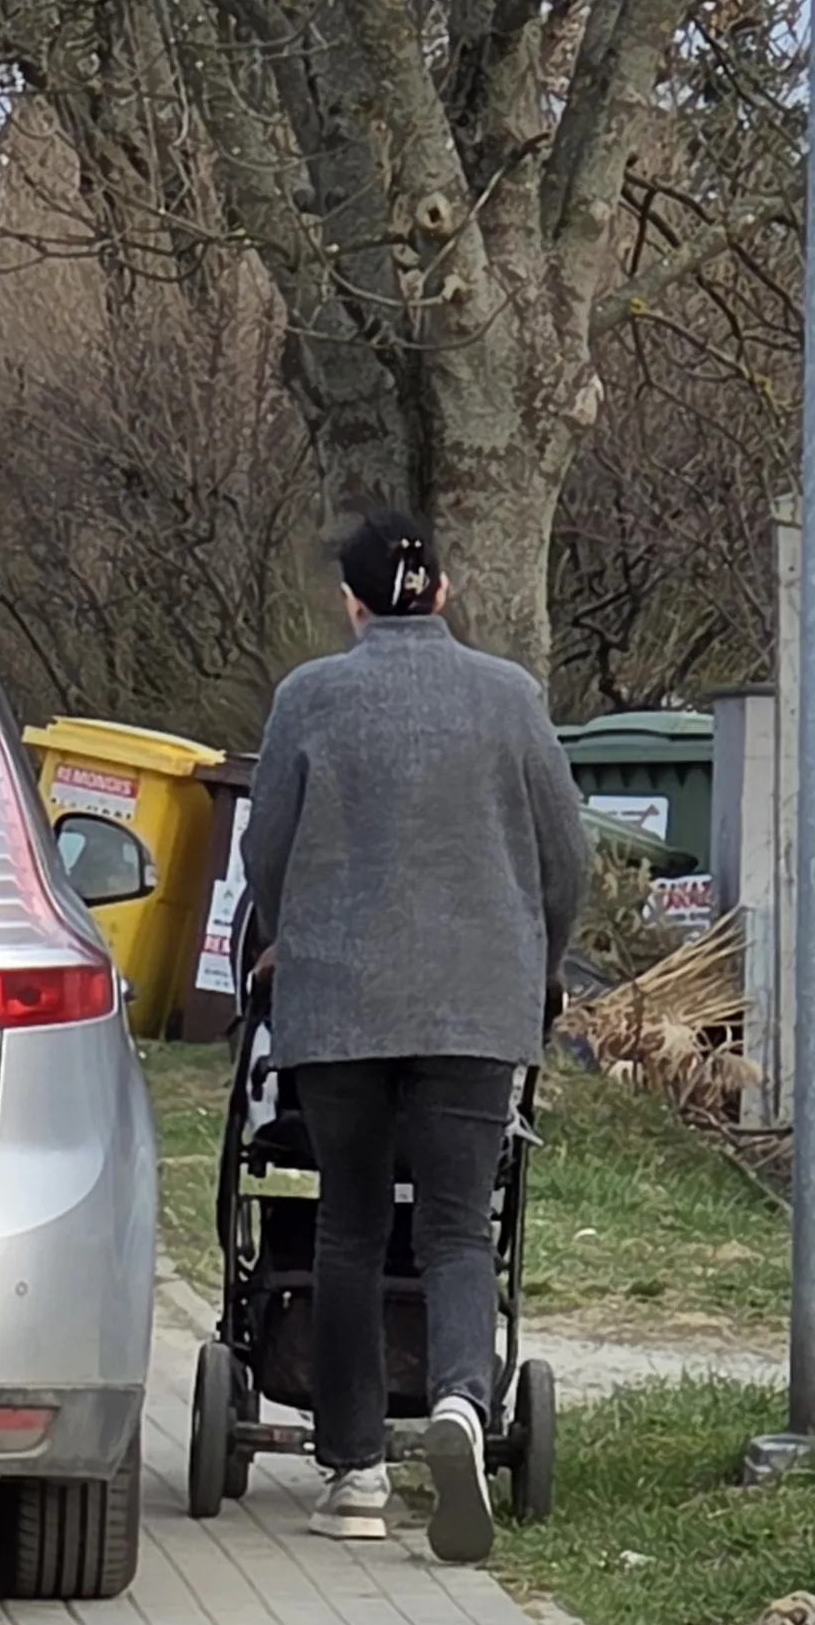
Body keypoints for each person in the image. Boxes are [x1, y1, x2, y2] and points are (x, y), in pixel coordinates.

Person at [243, 510, 587, 1562]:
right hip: (476, 1006)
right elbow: (563, 854)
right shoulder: (509, 697)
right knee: (456, 1227)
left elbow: (265, 851)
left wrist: (289, 937)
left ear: (351, 604)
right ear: (441, 592)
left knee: (348, 1226)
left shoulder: (307, 698)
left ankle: (353, 1472)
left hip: (338, 1005)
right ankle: (458, 1405)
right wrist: (540, 962)